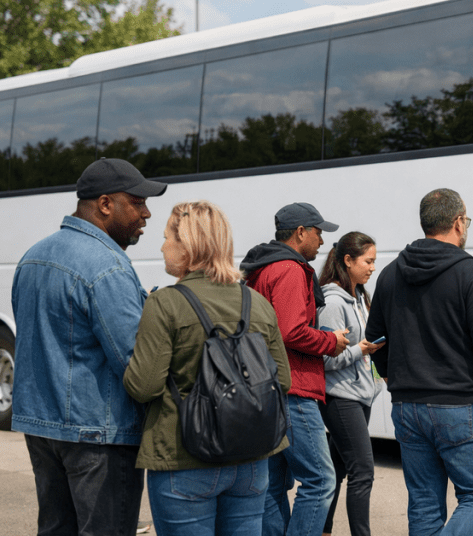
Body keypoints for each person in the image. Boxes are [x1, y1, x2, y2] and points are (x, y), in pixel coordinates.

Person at [11, 158, 165, 535]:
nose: (146, 213)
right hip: (99, 433)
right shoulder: (108, 265)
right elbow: (135, 363)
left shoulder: (32, 256)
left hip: (42, 428)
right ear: (106, 204)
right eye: (137, 202)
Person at [364, 188, 473, 536]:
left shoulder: (390, 274)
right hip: (460, 405)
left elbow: (375, 340)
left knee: (424, 503)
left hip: (407, 405)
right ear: (457, 222)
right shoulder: (471, 274)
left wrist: (398, 380)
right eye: (465, 220)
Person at [124, 201, 291, 535]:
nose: (162, 246)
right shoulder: (255, 302)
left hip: (184, 458)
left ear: (187, 246)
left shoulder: (164, 302)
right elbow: (282, 380)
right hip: (252, 460)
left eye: (167, 238)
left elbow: (143, 386)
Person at [239, 202, 349, 536]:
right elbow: (292, 331)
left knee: (271, 484)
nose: (322, 241)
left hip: (266, 388)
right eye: (318, 232)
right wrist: (331, 341)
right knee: (321, 480)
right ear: (300, 232)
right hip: (292, 389)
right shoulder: (289, 269)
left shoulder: (264, 268)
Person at [317, 232, 385, 536]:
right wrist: (362, 349)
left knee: (338, 469)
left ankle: (323, 529)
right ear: (348, 260)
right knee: (363, 471)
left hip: (360, 395)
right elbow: (328, 359)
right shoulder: (332, 302)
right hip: (341, 397)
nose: (372, 267)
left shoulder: (359, 297)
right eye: (368, 261)